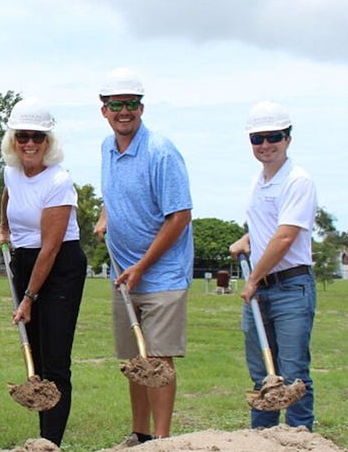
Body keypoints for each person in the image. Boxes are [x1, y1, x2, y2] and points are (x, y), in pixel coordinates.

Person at [94, 68, 192, 446]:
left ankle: (163, 441)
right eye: (116, 105)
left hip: (161, 275)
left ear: (142, 108)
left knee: (158, 361)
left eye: (131, 105)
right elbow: (115, 193)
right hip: (125, 274)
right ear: (104, 110)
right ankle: (140, 435)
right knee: (136, 362)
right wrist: (106, 215)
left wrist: (143, 266)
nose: (124, 112)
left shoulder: (161, 152)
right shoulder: (107, 148)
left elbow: (180, 215)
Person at [0, 98, 86, 447]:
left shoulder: (59, 181)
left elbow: (51, 247)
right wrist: (3, 226)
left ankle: (51, 442)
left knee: (56, 360)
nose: (29, 143)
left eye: (37, 136)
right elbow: (8, 195)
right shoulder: (12, 172)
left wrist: (29, 297)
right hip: (25, 261)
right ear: (13, 140)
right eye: (22, 136)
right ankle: (42, 436)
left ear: (49, 142)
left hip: (60, 265)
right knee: (35, 354)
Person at [228, 101, 318, 430]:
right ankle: (261, 439)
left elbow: (284, 237)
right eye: (257, 138)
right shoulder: (261, 180)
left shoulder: (298, 180)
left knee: (293, 375)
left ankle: (299, 440)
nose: (265, 145)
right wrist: (247, 239)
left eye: (273, 137)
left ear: (288, 138)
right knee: (262, 374)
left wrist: (252, 278)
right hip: (263, 289)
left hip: (291, 288)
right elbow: (267, 228)